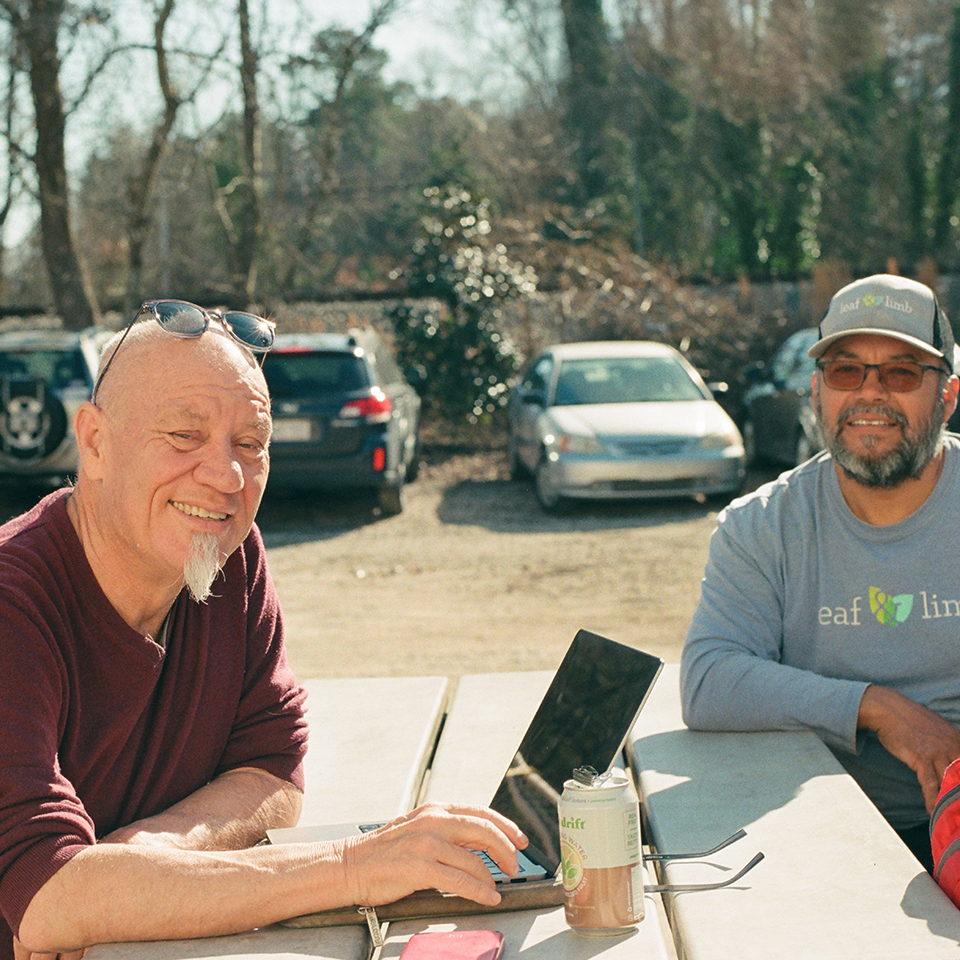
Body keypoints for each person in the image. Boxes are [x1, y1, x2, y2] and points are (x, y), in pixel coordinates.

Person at [0, 301, 527, 960]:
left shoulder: (228, 556)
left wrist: (149, 857)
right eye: (183, 437)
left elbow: (274, 769)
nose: (226, 478)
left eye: (250, 444)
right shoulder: (13, 606)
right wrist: (355, 869)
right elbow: (48, 899)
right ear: (96, 443)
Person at [680, 273, 960, 873]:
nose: (871, 394)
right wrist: (877, 708)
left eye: (903, 373)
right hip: (823, 837)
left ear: (948, 395)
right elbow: (709, 680)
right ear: (816, 394)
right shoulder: (762, 525)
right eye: (845, 371)